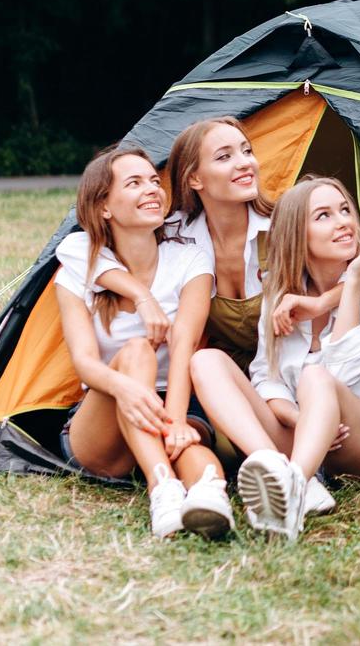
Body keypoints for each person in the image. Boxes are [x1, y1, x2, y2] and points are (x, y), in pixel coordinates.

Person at [58, 117, 348, 519]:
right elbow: (75, 251)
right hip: (164, 393)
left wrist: (321, 302)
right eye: (226, 156)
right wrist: (139, 295)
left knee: (198, 414)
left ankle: (244, 487)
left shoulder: (271, 231)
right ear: (195, 179)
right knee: (161, 359)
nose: (245, 163)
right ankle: (182, 485)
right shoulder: (163, 237)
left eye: (247, 151)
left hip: (262, 382)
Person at [215, 176, 360, 541]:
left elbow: (344, 374)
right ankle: (284, 473)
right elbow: (266, 376)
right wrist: (297, 418)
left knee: (315, 377)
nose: (343, 221)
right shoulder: (280, 299)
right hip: (304, 432)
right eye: (323, 215)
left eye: (344, 210)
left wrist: (355, 281)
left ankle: (291, 488)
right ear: (298, 235)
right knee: (208, 362)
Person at [51, 145, 233, 538]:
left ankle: (209, 496)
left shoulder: (189, 260)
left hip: (174, 400)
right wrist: (126, 390)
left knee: (190, 448)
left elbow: (185, 346)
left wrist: (179, 422)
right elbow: (84, 362)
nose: (152, 189)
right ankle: (162, 488)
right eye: (134, 183)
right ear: (104, 207)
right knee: (135, 350)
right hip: (103, 418)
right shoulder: (76, 270)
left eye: (154, 180)